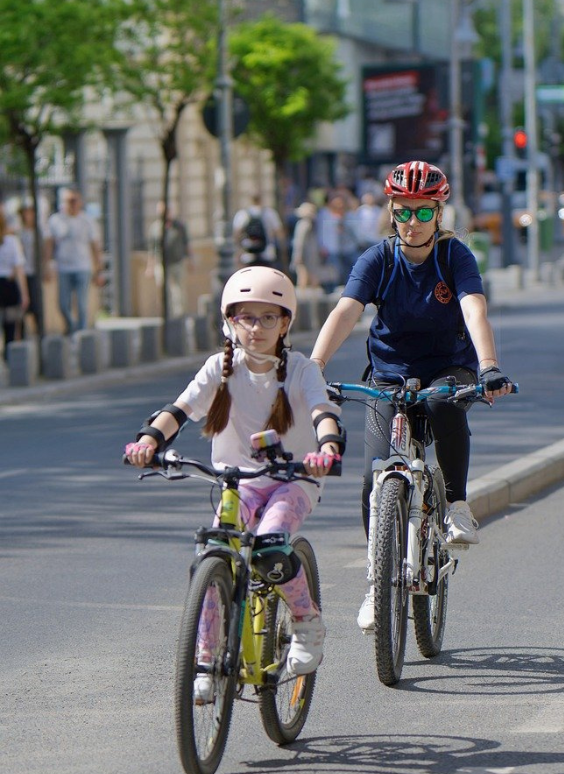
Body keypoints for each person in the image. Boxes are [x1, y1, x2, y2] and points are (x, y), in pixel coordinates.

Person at [309, 160, 514, 633]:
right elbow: (345, 311)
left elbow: (473, 310)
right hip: (389, 372)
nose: (413, 222)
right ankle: (375, 584)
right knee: (370, 478)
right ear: (391, 210)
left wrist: (487, 368)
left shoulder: (454, 257)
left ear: (439, 213)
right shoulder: (377, 258)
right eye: (404, 211)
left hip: (449, 367)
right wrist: (314, 366)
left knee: (444, 404)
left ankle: (458, 506)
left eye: (424, 213)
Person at [123, 266, 345, 695]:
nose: (256, 328)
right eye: (245, 317)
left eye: (267, 317)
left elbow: (323, 413)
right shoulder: (219, 369)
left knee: (271, 543)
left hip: (293, 481)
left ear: (285, 323)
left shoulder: (301, 370)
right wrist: (149, 440)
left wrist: (328, 449)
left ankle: (306, 621)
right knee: (214, 549)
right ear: (230, 322)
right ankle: (206, 659)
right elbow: (180, 410)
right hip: (234, 482)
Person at [43, 189, 104, 336]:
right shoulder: (56, 220)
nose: (73, 204)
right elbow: (49, 244)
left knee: (82, 304)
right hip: (64, 268)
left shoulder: (87, 221)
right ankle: (72, 326)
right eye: (70, 201)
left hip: (83, 267)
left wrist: (99, 269)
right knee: (63, 304)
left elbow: (95, 246)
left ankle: (81, 335)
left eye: (75, 201)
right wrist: (47, 265)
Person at [147, 202, 193, 317]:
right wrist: (150, 267)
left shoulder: (179, 226)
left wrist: (190, 260)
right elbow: (152, 249)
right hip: (161, 263)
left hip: (177, 262)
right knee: (163, 289)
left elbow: (186, 244)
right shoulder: (155, 228)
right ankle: (166, 313)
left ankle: (179, 314)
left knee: (179, 290)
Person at [0, 208, 29, 359]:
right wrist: (24, 293)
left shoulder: (11, 240)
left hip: (7, 285)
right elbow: (19, 269)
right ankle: (9, 356)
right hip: (8, 285)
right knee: (10, 325)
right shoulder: (12, 241)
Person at [316, 192, 358, 288]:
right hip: (329, 248)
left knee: (342, 270)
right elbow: (320, 232)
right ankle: (331, 288)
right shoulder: (324, 214)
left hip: (341, 248)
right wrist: (322, 246)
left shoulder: (343, 216)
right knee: (332, 271)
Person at [233, 193, 284, 269]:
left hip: (248, 256)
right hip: (267, 255)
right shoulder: (270, 213)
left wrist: (239, 251)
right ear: (261, 200)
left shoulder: (242, 214)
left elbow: (237, 235)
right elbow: (280, 234)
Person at [17, 204, 44, 338]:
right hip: (22, 272)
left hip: (34, 272)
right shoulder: (19, 232)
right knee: (21, 305)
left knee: (36, 303)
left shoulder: (38, 232)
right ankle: (21, 335)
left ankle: (40, 332)